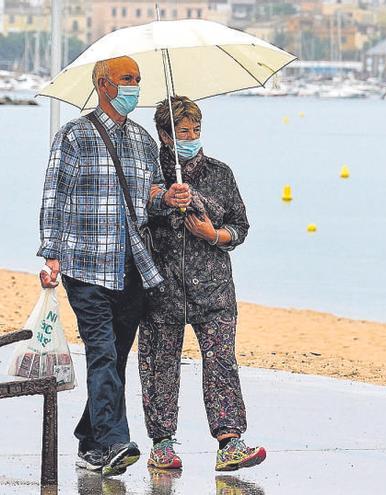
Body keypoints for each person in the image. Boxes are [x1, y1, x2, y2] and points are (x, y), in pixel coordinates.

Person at [37, 56, 191, 476]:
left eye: (138, 80)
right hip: (85, 264)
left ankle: (90, 440)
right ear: (104, 85)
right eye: (128, 80)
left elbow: (149, 195)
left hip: (133, 266)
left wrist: (168, 197)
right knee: (102, 351)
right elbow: (55, 195)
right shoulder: (74, 136)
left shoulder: (143, 140)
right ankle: (113, 443)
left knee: (117, 355)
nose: (134, 87)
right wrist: (50, 253)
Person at [138, 95, 265, 472]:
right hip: (162, 291)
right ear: (164, 136)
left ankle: (230, 443)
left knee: (221, 363)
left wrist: (214, 234)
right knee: (160, 366)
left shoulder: (220, 173)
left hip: (214, 292)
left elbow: (240, 227)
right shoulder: (147, 174)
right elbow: (132, 213)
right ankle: (161, 444)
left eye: (196, 130)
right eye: (182, 131)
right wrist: (163, 199)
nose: (191, 137)